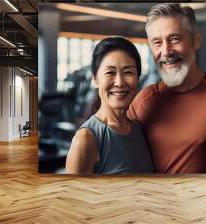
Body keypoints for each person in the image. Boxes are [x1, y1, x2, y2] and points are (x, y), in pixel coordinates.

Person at [128, 3, 206, 173]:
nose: (166, 51)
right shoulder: (144, 100)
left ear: (196, 40)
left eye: (174, 39)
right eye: (157, 43)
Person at [66, 36, 154, 174]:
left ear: (138, 79)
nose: (119, 82)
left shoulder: (139, 130)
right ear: (95, 79)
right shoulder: (85, 139)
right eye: (110, 72)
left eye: (128, 72)